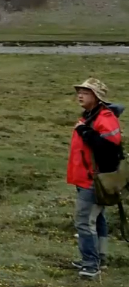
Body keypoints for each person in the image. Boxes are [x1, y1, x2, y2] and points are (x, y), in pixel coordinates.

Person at [67, 77, 124, 279]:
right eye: (79, 92)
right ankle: (99, 259)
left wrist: (85, 132)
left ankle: (91, 265)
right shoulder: (91, 116)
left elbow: (109, 149)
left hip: (93, 180)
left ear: (97, 97)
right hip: (86, 178)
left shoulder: (104, 117)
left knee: (85, 222)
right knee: (96, 219)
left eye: (86, 92)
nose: (80, 96)